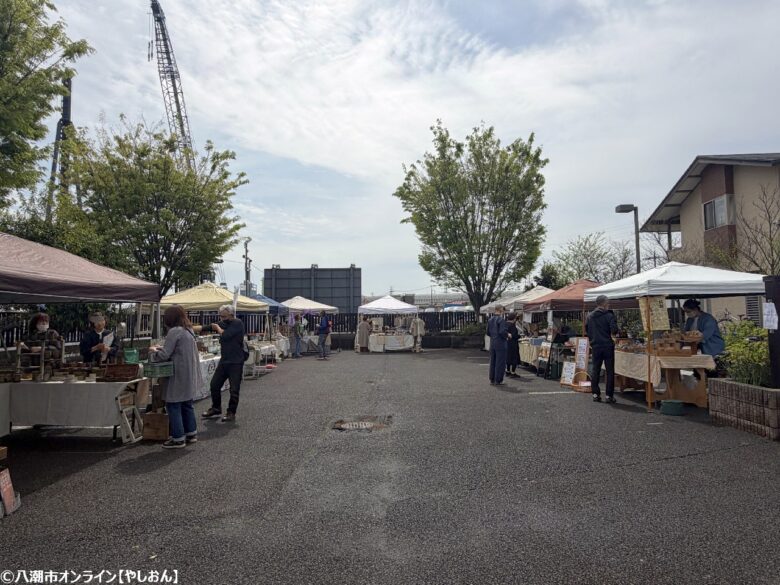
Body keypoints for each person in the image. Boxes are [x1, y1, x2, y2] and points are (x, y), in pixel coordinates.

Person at [149, 305, 203, 449]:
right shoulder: (188, 330)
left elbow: (165, 354)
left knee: (173, 405)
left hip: (177, 374)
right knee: (187, 404)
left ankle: (178, 438)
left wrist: (154, 351)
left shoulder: (174, 331)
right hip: (189, 373)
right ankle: (191, 433)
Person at [201, 304, 246, 422]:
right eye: (221, 316)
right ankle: (216, 408)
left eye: (224, 316)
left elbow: (225, 335)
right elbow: (209, 326)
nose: (222, 319)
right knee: (214, 385)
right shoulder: (224, 323)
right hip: (224, 360)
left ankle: (231, 412)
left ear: (231, 315)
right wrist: (191, 327)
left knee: (234, 389)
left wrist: (218, 328)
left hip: (236, 361)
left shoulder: (238, 323)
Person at [586, 295, 619, 403]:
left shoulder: (590, 316)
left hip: (595, 345)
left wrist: (592, 340)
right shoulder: (609, 315)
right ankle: (609, 396)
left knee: (596, 370)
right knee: (609, 371)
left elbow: (587, 330)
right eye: (608, 303)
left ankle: (595, 394)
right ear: (604, 304)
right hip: (608, 346)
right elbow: (614, 330)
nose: (609, 304)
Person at [487, 305, 511, 386]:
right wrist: (508, 335)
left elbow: (488, 332)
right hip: (500, 342)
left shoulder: (490, 320)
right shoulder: (501, 320)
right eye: (503, 310)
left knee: (493, 361)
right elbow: (502, 332)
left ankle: (492, 378)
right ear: (500, 310)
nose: (503, 312)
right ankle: (498, 379)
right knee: (500, 362)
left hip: (493, 341)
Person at [505, 312, 520, 378]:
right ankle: (513, 372)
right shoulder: (512, 326)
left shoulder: (505, 324)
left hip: (506, 343)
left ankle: (507, 371)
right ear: (514, 319)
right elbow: (514, 335)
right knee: (514, 358)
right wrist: (519, 336)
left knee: (508, 358)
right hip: (513, 344)